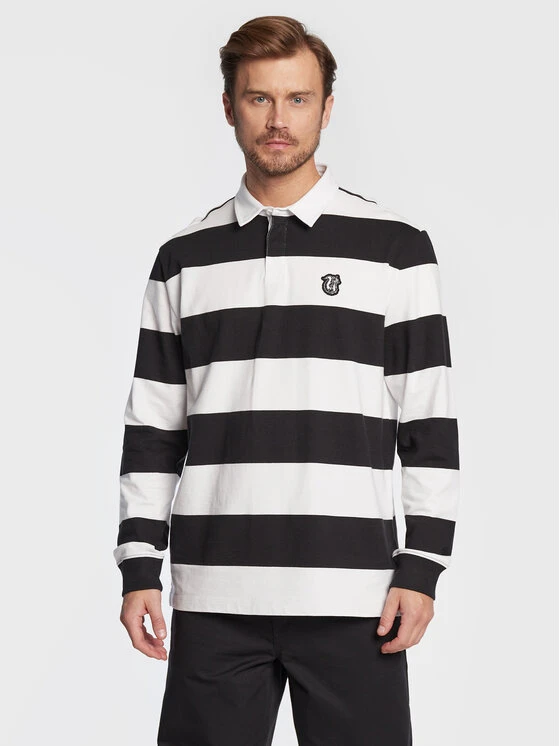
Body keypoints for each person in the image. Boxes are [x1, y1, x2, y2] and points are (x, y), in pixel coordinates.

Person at [114, 14, 460, 746]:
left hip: (355, 596)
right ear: (229, 107)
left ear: (327, 109)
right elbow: (154, 428)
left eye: (298, 99)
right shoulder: (183, 258)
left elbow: (429, 423)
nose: (279, 120)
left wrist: (422, 566)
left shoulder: (395, 249)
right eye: (259, 98)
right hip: (214, 596)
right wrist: (139, 564)